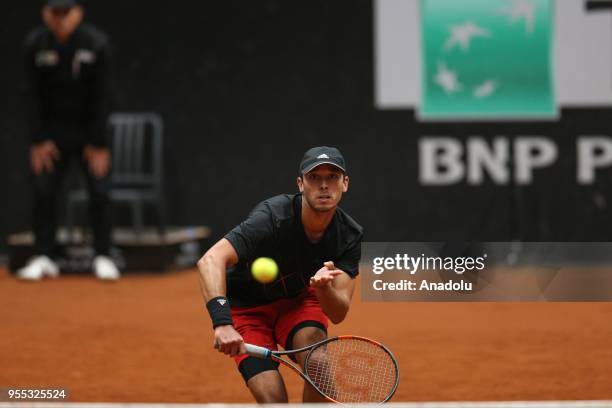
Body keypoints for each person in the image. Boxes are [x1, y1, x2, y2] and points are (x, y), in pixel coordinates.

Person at [197, 146, 363, 403]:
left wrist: (323, 289)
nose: (323, 185)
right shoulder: (272, 217)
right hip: (247, 310)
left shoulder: (349, 235)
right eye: (314, 178)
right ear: (300, 184)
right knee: (273, 399)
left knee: (318, 365)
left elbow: (338, 313)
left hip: (298, 303)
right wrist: (222, 322)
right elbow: (211, 259)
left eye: (332, 177)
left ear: (345, 183)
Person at [18, 0, 119, 280]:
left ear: (79, 13)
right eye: (54, 13)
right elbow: (30, 94)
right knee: (44, 192)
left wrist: (99, 142)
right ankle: (45, 256)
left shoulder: (97, 43)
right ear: (45, 14)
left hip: (90, 135)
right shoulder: (35, 45)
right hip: (51, 136)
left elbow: (104, 95)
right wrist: (38, 139)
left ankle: (103, 255)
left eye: (67, 12)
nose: (60, 19)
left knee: (99, 193)